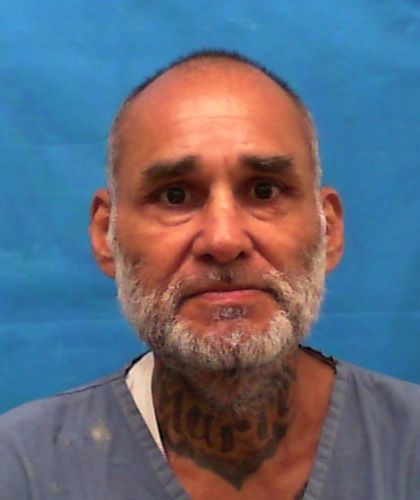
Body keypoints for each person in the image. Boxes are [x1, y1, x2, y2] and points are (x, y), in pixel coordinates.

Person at [0, 50, 419, 500]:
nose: (223, 240)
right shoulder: (21, 468)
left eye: (264, 191)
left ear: (328, 230)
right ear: (107, 235)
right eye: (175, 196)